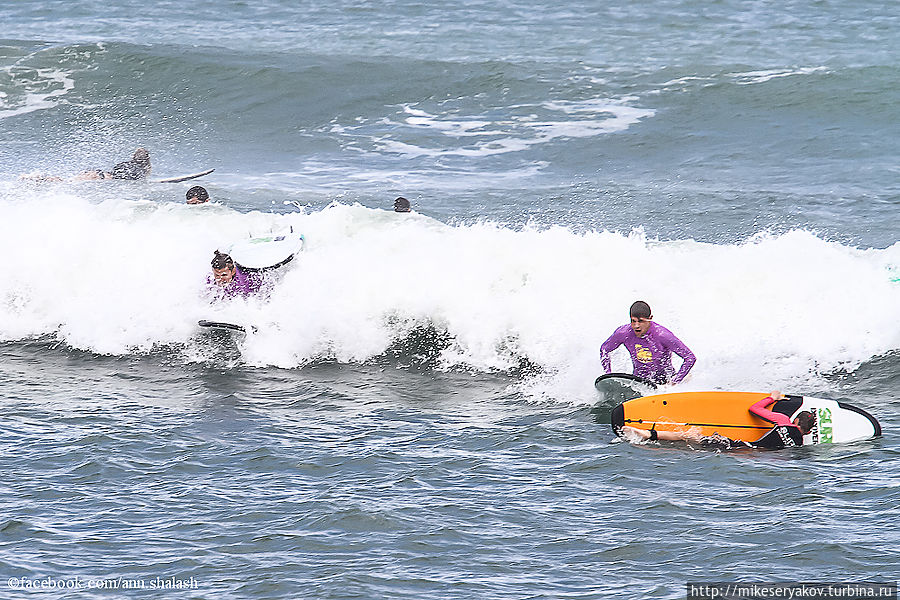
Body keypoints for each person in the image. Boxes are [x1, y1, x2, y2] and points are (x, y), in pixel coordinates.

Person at [623, 391, 817, 450]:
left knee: (688, 436)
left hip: (740, 445)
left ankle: (648, 434)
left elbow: (754, 409)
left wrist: (772, 399)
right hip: (747, 454)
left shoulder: (783, 421)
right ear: (807, 432)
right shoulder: (798, 445)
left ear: (795, 420)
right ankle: (649, 439)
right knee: (689, 445)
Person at [600, 301, 695, 385]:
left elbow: (690, 357)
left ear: (650, 318)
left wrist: (674, 382)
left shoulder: (662, 335)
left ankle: (686, 379)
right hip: (639, 382)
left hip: (664, 382)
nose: (636, 326)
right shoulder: (623, 333)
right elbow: (604, 350)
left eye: (641, 321)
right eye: (633, 321)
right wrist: (609, 376)